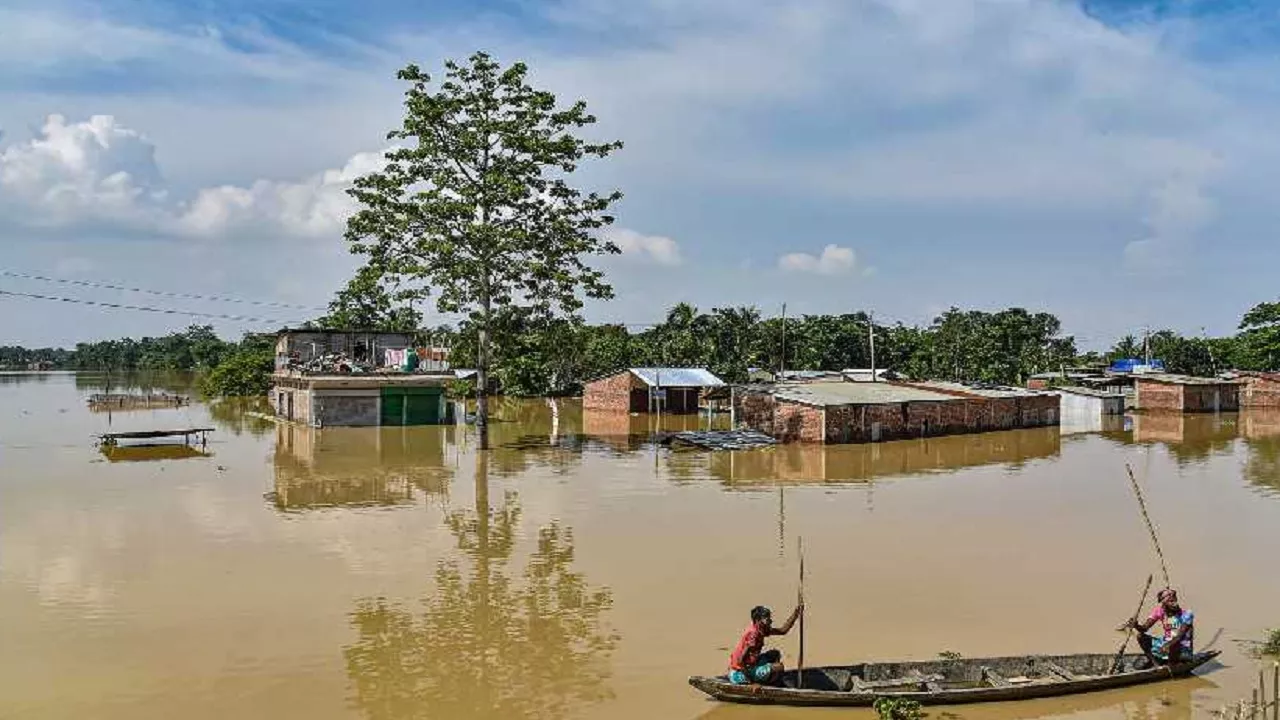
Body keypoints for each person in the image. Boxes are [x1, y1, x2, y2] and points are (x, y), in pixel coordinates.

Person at [728, 603, 803, 686]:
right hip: (739, 673)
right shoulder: (753, 635)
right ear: (758, 620)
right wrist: (752, 683)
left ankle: (769, 679)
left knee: (774, 654)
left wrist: (796, 613)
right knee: (779, 667)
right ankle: (768, 684)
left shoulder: (761, 629)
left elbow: (782, 631)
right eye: (766, 618)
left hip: (751, 664)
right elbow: (740, 661)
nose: (770, 620)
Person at [1122, 588, 1194, 667]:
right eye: (1170, 601)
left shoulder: (1187, 615)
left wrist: (1168, 644)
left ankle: (1171, 665)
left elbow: (1179, 636)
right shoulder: (1160, 611)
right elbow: (1144, 628)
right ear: (1164, 604)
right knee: (1140, 636)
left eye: (1174, 600)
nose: (1174, 604)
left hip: (1182, 648)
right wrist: (1136, 625)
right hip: (1166, 644)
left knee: (1174, 645)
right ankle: (1155, 664)